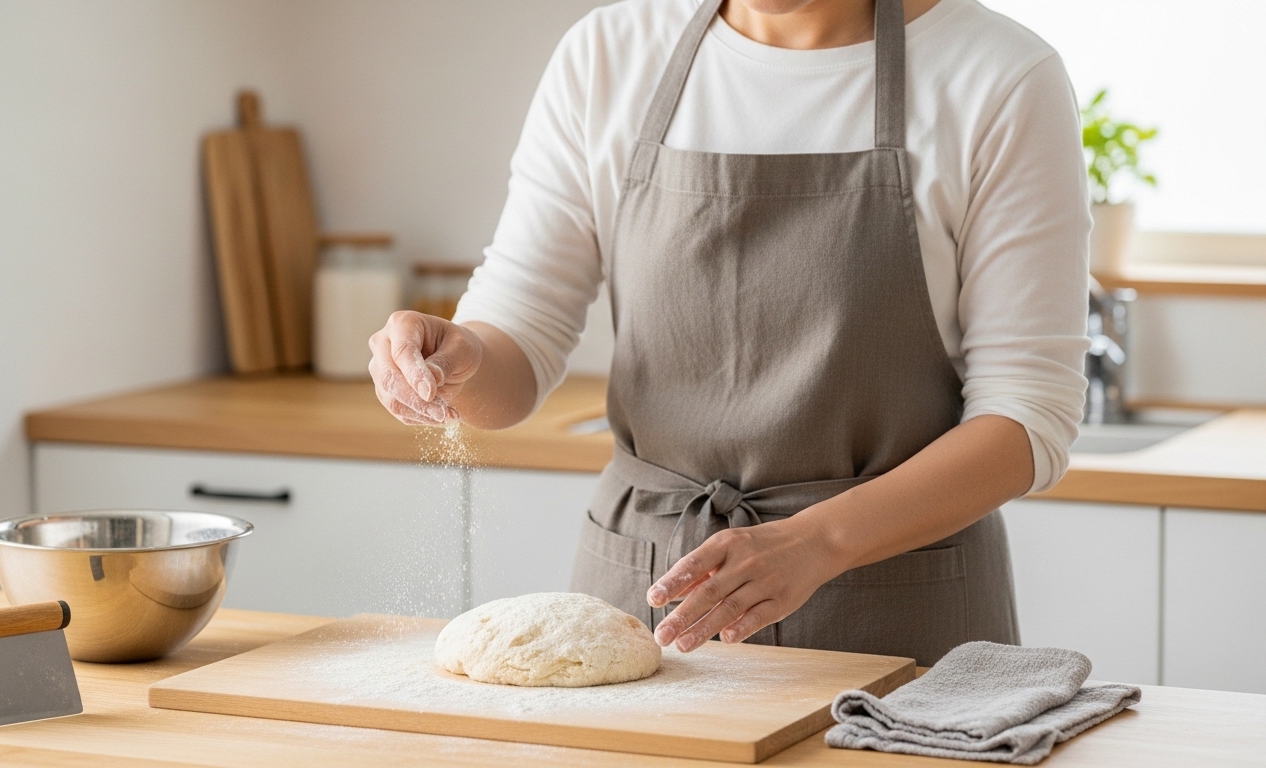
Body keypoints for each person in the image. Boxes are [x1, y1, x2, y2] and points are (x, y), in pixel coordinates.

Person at [368, 0, 1089, 666]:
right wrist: (459, 361)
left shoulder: (998, 78)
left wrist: (816, 542)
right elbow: (518, 337)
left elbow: (1027, 417)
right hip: (650, 605)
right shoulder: (610, 55)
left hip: (898, 621)